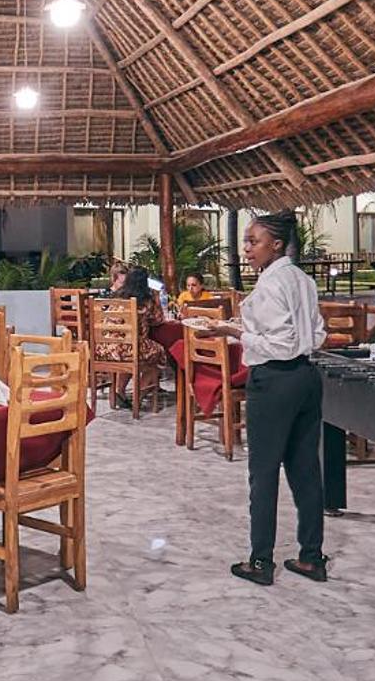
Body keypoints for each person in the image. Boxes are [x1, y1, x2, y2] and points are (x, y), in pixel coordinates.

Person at [197, 210, 328, 586]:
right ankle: (311, 557)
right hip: (307, 378)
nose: (247, 249)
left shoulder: (271, 284)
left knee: (264, 471)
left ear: (276, 244)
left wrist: (233, 333)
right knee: (305, 469)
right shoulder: (302, 280)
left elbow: (280, 344)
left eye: (254, 242)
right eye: (246, 242)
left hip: (274, 381)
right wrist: (240, 328)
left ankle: (260, 560)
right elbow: (315, 333)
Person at [94, 270, 168, 403]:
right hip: (128, 349)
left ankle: (120, 392)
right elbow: (158, 320)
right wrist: (156, 299)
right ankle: (138, 396)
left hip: (104, 348)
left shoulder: (117, 297)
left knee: (131, 349)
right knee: (159, 353)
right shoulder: (145, 301)